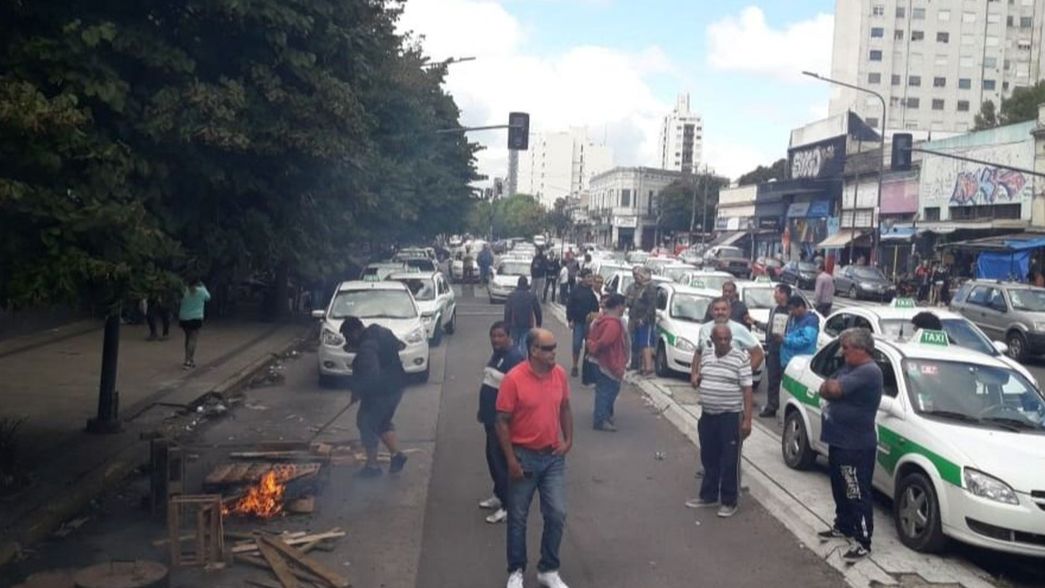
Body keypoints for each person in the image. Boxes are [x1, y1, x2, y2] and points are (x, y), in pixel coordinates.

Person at [496, 329, 573, 588]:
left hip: (552, 457)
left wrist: (568, 440)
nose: (553, 353)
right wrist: (511, 460)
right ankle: (516, 570)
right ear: (533, 351)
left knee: (557, 514)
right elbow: (501, 422)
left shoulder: (560, 374)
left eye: (554, 347)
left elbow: (565, 407)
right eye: (548, 348)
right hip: (523, 457)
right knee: (518, 517)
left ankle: (548, 569)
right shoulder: (514, 379)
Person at [816, 328, 882, 563]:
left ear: (861, 349)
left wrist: (831, 388)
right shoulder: (850, 368)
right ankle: (843, 525)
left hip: (855, 445)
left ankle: (863, 539)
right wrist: (829, 388)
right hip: (838, 439)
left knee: (856, 491)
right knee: (839, 487)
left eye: (847, 348)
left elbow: (834, 388)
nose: (843, 353)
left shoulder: (868, 372)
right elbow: (825, 386)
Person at [685, 324, 754, 518]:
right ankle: (708, 496)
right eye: (720, 339)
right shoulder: (707, 354)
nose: (723, 343)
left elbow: (747, 390)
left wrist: (747, 420)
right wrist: (696, 377)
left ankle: (729, 500)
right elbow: (698, 368)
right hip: (708, 415)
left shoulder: (740, 358)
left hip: (730, 416)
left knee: (729, 461)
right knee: (709, 457)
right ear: (713, 340)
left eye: (727, 339)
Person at [341, 316, 409, 478]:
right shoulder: (379, 331)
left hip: (382, 392)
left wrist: (358, 391)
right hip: (396, 386)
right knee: (382, 422)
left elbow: (370, 376)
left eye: (347, 336)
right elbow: (398, 345)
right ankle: (397, 455)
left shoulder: (366, 348)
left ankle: (372, 467)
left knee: (366, 422)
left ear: (355, 331)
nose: (347, 340)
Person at [477, 321, 525, 524]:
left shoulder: (515, 358)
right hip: (489, 418)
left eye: (500, 336)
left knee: (501, 461)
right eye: (493, 336)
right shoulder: (497, 354)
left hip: (501, 421)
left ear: (509, 336)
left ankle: (508, 505)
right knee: (491, 458)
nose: (496, 339)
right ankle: (498, 495)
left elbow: (518, 392)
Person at [691, 298, 764, 388]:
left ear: (730, 311)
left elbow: (758, 354)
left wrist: (744, 375)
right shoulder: (704, 329)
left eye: (723, 309)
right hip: (708, 384)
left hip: (731, 386)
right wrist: (694, 374)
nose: (720, 312)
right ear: (711, 312)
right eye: (716, 309)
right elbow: (698, 352)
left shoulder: (739, 329)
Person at [586, 293, 629, 431]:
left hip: (600, 360)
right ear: (618, 306)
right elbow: (605, 342)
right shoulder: (613, 324)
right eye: (623, 306)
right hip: (608, 362)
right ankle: (600, 419)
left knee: (604, 390)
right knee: (607, 390)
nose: (624, 309)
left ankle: (603, 416)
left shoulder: (601, 320)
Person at [754, 283, 792, 418]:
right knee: (772, 379)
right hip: (773, 348)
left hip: (786, 349)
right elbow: (770, 327)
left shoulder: (791, 311)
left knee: (786, 381)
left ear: (783, 294)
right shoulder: (774, 309)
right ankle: (772, 406)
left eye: (776, 292)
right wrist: (755, 323)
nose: (774, 295)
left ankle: (786, 408)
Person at [566, 269, 600, 378]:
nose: (590, 279)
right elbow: (569, 305)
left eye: (591, 276)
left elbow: (598, 307)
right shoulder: (576, 290)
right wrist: (570, 319)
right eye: (588, 277)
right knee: (576, 345)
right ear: (583, 278)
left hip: (591, 323)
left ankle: (588, 369)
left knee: (590, 346)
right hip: (578, 322)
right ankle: (575, 366)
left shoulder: (594, 291)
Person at [628, 266, 658, 376]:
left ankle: (648, 368)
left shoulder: (650, 288)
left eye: (641, 275)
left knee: (646, 344)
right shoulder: (642, 287)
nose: (639, 277)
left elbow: (651, 307)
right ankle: (641, 367)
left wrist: (643, 319)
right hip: (637, 319)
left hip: (646, 321)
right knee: (640, 344)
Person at [504, 277, 542, 355]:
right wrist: (538, 323)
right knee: (524, 344)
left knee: (515, 343)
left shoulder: (511, 296)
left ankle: (515, 360)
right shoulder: (531, 296)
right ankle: (522, 361)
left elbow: (507, 311)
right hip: (527, 323)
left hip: (514, 323)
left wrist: (506, 325)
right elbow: (537, 311)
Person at [178, 277, 211, 368]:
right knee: (193, 339)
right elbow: (208, 298)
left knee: (188, 338)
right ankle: (188, 361)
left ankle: (189, 358)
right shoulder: (201, 290)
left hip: (184, 317)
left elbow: (179, 300)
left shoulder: (184, 290)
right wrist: (204, 286)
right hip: (196, 318)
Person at [781, 295, 819, 369]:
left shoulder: (810, 321)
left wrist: (785, 340)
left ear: (801, 307)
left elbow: (806, 340)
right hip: (787, 360)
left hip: (799, 362)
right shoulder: (793, 318)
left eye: (793, 309)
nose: (791, 312)